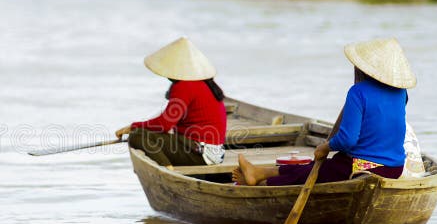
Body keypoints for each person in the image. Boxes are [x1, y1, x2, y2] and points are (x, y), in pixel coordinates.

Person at [233, 38, 416, 186]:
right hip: (395, 167)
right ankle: (260, 172)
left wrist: (325, 147)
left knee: (314, 172)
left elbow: (347, 140)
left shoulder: (358, 92)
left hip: (365, 168)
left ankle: (264, 183)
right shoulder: (401, 93)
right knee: (321, 167)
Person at [115, 37, 227, 169]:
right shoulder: (203, 83)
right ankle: (167, 164)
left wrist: (132, 127)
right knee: (146, 133)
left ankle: (167, 168)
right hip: (215, 152)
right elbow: (168, 122)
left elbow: (165, 124)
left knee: (137, 136)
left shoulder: (185, 86)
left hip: (201, 153)